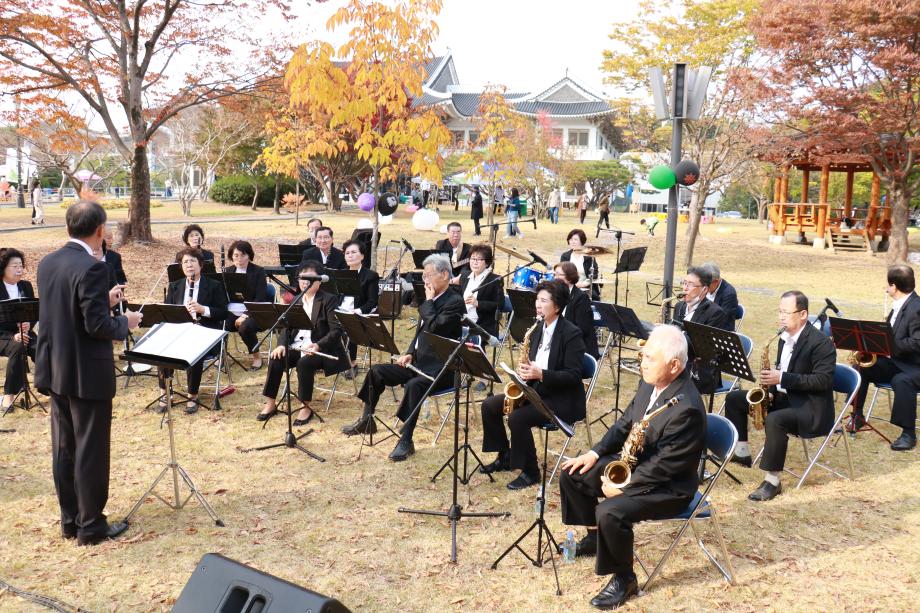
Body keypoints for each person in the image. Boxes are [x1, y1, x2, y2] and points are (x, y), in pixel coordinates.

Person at [559, 325, 705, 610]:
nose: (642, 363)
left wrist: (626, 486)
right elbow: (626, 423)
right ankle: (595, 538)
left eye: (650, 358)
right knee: (573, 474)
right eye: (643, 356)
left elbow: (666, 466)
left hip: (670, 487)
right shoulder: (650, 381)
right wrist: (594, 453)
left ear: (674, 366)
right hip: (639, 465)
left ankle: (624, 578)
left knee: (610, 511)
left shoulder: (687, 408)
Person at [34, 201, 142, 546]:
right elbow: (97, 326)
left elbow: (65, 309)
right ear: (99, 230)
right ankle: (91, 526)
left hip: (56, 367)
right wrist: (125, 322)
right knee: (90, 449)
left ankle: (70, 520)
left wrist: (102, 301)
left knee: (64, 447)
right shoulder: (94, 267)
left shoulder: (48, 262)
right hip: (86, 372)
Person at [342, 254, 464, 462]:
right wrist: (409, 353)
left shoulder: (455, 302)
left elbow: (435, 327)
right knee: (376, 372)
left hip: (442, 370)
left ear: (444, 275)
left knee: (414, 386)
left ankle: (406, 440)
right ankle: (367, 419)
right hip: (418, 362)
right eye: (423, 276)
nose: (425, 280)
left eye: (428, 275)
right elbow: (420, 332)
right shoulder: (430, 297)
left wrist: (428, 301)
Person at [723, 290, 836, 500]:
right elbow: (782, 371)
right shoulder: (784, 337)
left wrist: (782, 379)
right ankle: (742, 452)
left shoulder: (821, 343)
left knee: (775, 419)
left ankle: (772, 481)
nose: (781, 317)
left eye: (786, 312)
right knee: (734, 399)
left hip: (810, 408)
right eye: (780, 311)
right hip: (786, 399)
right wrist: (771, 391)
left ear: (803, 314)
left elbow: (823, 381)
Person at [480, 279, 586, 489]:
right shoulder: (537, 328)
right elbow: (534, 362)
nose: (538, 304)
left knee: (517, 417)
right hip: (536, 390)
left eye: (544, 301)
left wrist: (541, 374)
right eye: (537, 299)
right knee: (489, 405)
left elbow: (574, 376)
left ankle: (531, 472)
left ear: (557, 306)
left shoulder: (571, 333)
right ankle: (505, 456)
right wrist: (525, 372)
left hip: (561, 399)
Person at [257, 261, 349, 424]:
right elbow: (287, 327)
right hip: (297, 345)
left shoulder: (329, 300)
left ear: (319, 281)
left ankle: (305, 407)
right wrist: (281, 345)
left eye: (310, 278)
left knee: (304, 363)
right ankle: (270, 404)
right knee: (276, 358)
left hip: (322, 349)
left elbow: (336, 331)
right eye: (302, 277)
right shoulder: (296, 299)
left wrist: (318, 345)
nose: (305, 281)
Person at [849, 265, 920, 451]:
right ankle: (857, 416)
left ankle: (909, 434)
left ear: (894, 286)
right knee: (861, 367)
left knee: (901, 381)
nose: (887, 289)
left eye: (888, 285)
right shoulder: (899, 305)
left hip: (914, 366)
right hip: (897, 361)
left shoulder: (917, 308)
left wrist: (889, 346)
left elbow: (917, 343)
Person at [160, 248, 229, 414]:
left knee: (194, 350)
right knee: (161, 349)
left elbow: (223, 312)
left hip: (206, 333)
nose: (189, 265)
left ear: (200, 265)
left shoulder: (214, 285)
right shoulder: (175, 286)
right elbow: (167, 312)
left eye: (192, 261)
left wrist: (203, 309)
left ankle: (192, 395)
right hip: (180, 332)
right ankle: (165, 393)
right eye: (185, 262)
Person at [672, 266, 732, 394]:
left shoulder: (715, 313)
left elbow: (705, 350)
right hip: (679, 361)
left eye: (690, 285)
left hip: (701, 369)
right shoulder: (679, 306)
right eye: (684, 283)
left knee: (669, 379)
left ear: (704, 289)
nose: (685, 288)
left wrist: (676, 336)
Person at [223, 240, 270, 370]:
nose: (239, 259)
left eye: (243, 255)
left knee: (245, 327)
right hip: (232, 311)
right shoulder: (227, 271)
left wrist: (245, 315)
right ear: (231, 256)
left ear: (249, 255)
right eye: (236, 255)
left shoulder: (258, 272)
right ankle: (221, 356)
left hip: (253, 312)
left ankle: (256, 356)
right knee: (219, 323)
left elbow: (260, 298)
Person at [0, 249, 37, 411]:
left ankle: (49, 385)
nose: (19, 270)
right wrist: (13, 336)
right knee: (18, 347)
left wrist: (29, 323)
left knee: (42, 346)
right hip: (3, 336)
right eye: (14, 266)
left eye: (21, 266)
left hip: (25, 333)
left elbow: (34, 312)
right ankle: (9, 395)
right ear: (3, 268)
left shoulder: (26, 286)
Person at [339, 239, 380, 378]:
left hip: (358, 313)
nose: (350, 255)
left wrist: (357, 311)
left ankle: (352, 363)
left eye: (353, 252)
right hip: (340, 310)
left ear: (362, 256)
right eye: (347, 253)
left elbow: (372, 302)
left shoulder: (370, 276)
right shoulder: (341, 274)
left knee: (349, 323)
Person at [553, 261, 600, 359]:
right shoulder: (556, 294)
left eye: (559, 275)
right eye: (555, 274)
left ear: (570, 278)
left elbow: (582, 329)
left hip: (577, 347)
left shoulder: (581, 298)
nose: (555, 278)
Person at [457, 244, 503, 338]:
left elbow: (500, 305)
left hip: (481, 326)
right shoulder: (465, 276)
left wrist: (478, 303)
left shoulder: (494, 280)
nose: (475, 262)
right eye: (473, 259)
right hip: (461, 322)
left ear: (487, 263)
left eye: (479, 259)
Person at [560, 229, 600, 301]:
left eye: (575, 240)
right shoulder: (565, 256)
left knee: (590, 297)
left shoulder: (589, 256)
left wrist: (583, 284)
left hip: (586, 288)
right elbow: (562, 274)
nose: (573, 242)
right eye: (571, 239)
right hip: (569, 287)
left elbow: (594, 274)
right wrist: (572, 285)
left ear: (582, 241)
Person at [701, 261, 740, 331]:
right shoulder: (703, 287)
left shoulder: (729, 294)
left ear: (716, 281)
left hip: (719, 331)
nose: (703, 287)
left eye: (706, 284)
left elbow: (721, 321)